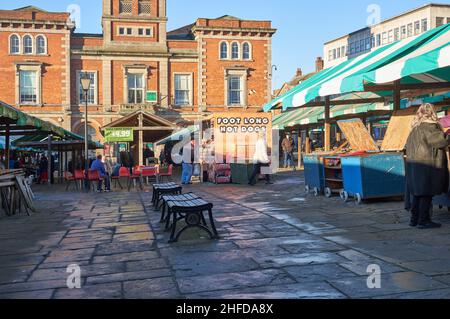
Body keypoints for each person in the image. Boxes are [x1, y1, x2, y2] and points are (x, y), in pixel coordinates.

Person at [405, 103, 450, 229]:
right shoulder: (429, 127)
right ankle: (424, 221)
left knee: (418, 193)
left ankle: (414, 220)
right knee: (426, 193)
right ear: (432, 113)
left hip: (415, 165)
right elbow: (440, 141)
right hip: (427, 165)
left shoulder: (415, 128)